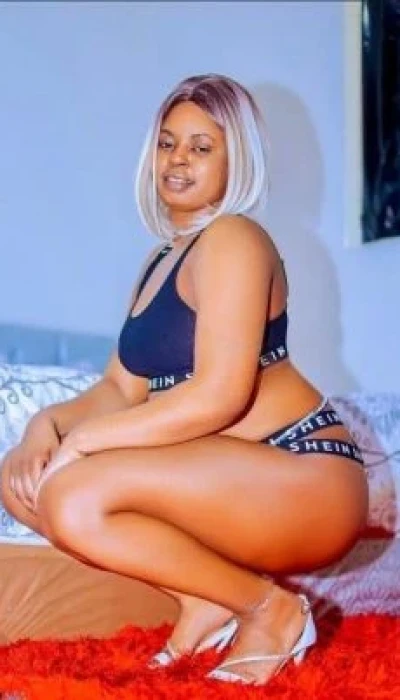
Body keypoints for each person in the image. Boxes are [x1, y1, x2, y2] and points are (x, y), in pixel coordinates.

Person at [0, 74, 368, 687]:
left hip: (304, 470)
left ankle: (271, 610)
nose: (177, 160)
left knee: (75, 492)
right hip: (238, 477)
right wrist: (44, 429)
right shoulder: (161, 259)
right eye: (168, 144)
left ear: (236, 159)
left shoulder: (235, 238)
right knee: (24, 483)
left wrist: (85, 444)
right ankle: (205, 601)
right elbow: (120, 390)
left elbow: (220, 394)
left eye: (201, 147)